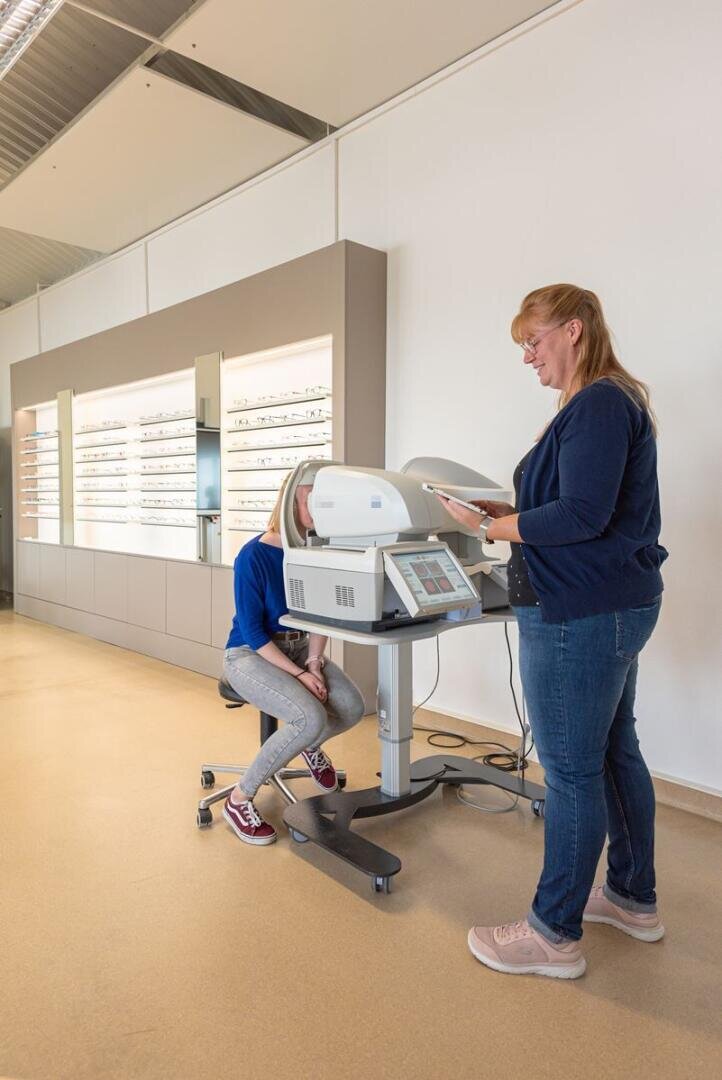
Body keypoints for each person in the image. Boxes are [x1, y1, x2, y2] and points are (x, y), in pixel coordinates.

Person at [440, 284, 667, 979]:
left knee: (570, 771)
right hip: (609, 604)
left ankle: (552, 935)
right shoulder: (598, 403)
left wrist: (489, 527)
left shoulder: (597, 402)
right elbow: (574, 506)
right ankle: (631, 897)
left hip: (580, 612)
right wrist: (508, 509)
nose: (528, 357)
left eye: (533, 342)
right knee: (612, 751)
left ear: (573, 331)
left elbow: (581, 517)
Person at [222, 474, 365, 845]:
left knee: (351, 707)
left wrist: (315, 663)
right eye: (311, 501)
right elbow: (253, 633)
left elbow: (322, 614)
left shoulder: (317, 552)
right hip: (251, 653)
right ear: (290, 505)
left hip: (302, 649)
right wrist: (301, 675)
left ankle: (307, 745)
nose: (321, 508)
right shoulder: (253, 555)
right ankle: (239, 799)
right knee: (309, 716)